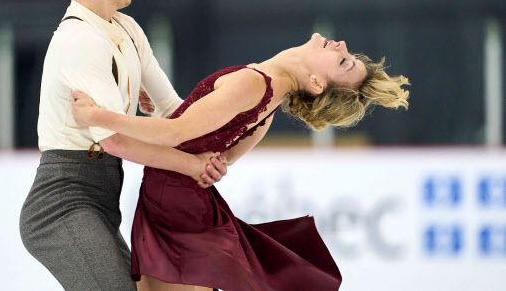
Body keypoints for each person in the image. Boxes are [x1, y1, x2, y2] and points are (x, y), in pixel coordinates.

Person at [71, 32, 410, 291]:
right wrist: (165, 116)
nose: (341, 45)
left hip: (176, 209)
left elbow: (177, 134)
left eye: (343, 62)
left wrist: (98, 116)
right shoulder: (270, 102)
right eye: (348, 56)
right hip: (180, 202)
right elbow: (214, 154)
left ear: (317, 83)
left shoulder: (256, 84)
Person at [19, 0, 228, 291]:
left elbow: (172, 109)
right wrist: (190, 164)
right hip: (61, 204)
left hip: (99, 197)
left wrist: (225, 133)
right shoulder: (80, 40)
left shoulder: (127, 29)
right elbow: (113, 139)